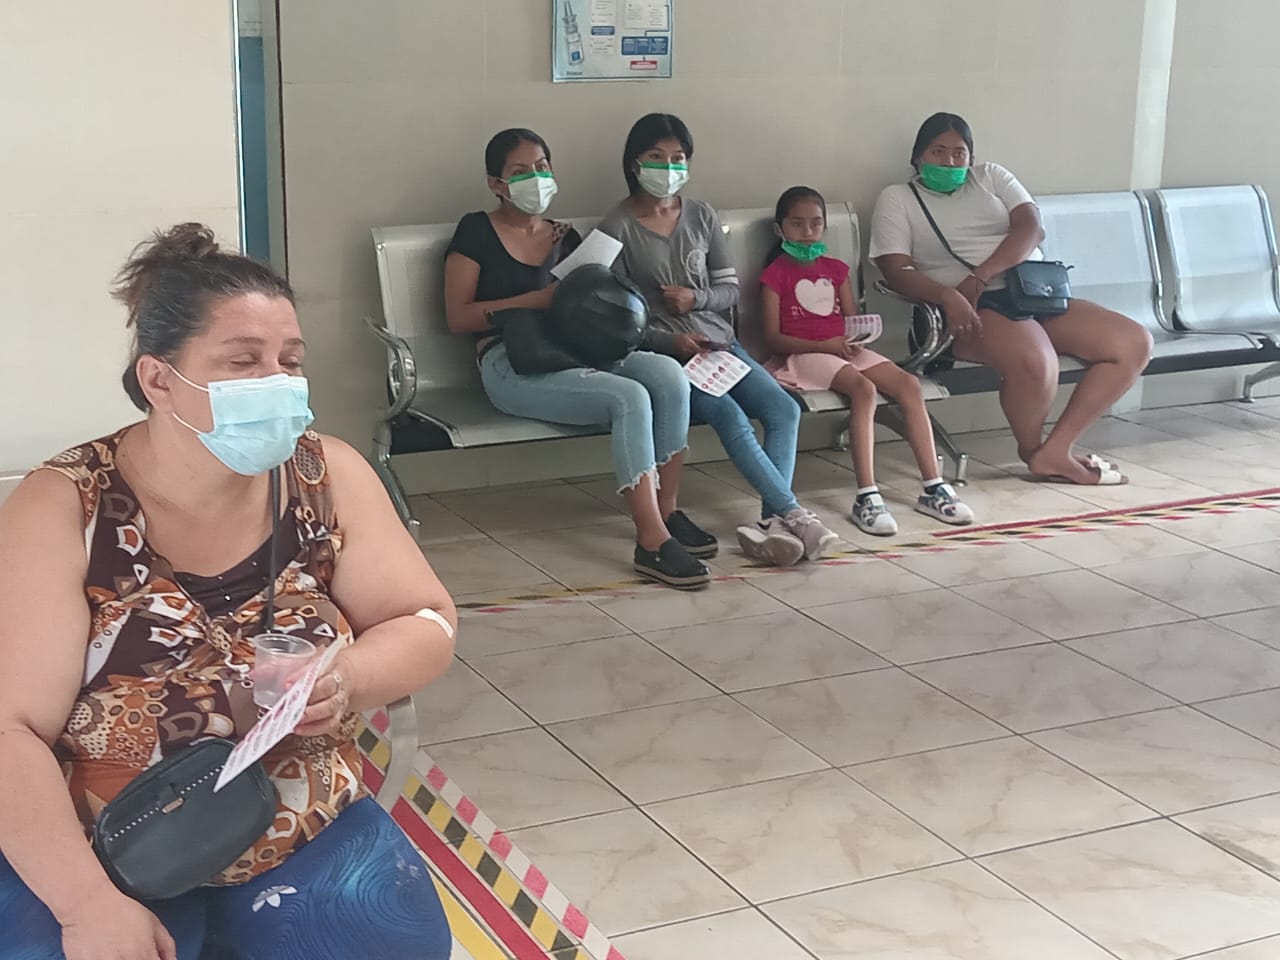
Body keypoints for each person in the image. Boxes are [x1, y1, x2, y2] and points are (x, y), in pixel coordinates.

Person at [0, 224, 456, 959]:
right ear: (158, 380)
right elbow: (12, 730)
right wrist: (85, 907)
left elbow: (425, 619)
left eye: (290, 362)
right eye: (243, 361)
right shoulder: (66, 505)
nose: (276, 382)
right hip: (103, 840)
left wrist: (350, 676)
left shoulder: (326, 475)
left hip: (295, 811)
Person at [443, 128, 713, 589]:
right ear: (495, 183)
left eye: (542, 167)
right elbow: (458, 317)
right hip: (511, 363)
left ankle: (667, 513)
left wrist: (662, 339)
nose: (535, 178)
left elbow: (598, 311)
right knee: (629, 397)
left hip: (573, 350)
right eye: (520, 171)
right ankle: (651, 541)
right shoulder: (475, 232)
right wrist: (537, 299)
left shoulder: (565, 237)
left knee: (668, 376)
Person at [599, 113, 838, 567]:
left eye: (678, 158)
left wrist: (696, 299)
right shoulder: (617, 227)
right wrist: (668, 342)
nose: (668, 167)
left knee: (783, 409)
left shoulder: (702, 215)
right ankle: (793, 515)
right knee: (730, 416)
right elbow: (616, 318)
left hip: (722, 346)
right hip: (672, 357)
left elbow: (728, 289)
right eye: (656, 157)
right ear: (634, 163)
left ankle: (773, 521)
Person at [870, 112, 1153, 485]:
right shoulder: (898, 198)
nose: (949, 162)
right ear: (917, 156)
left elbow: (1031, 227)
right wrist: (948, 295)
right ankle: (1033, 450)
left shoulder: (992, 177)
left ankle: (1056, 450)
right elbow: (895, 269)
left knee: (1133, 343)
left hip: (1031, 293)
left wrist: (982, 274)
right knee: (1035, 361)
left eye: (959, 153)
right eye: (938, 151)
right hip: (964, 311)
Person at [762, 186, 975, 535]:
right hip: (803, 354)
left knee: (908, 385)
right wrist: (826, 345)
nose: (807, 232)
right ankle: (867, 495)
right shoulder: (775, 274)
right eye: (797, 224)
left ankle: (933, 486)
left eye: (815, 224)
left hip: (841, 349)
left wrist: (856, 338)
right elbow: (772, 338)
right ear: (780, 229)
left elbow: (851, 321)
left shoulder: (836, 270)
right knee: (863, 390)